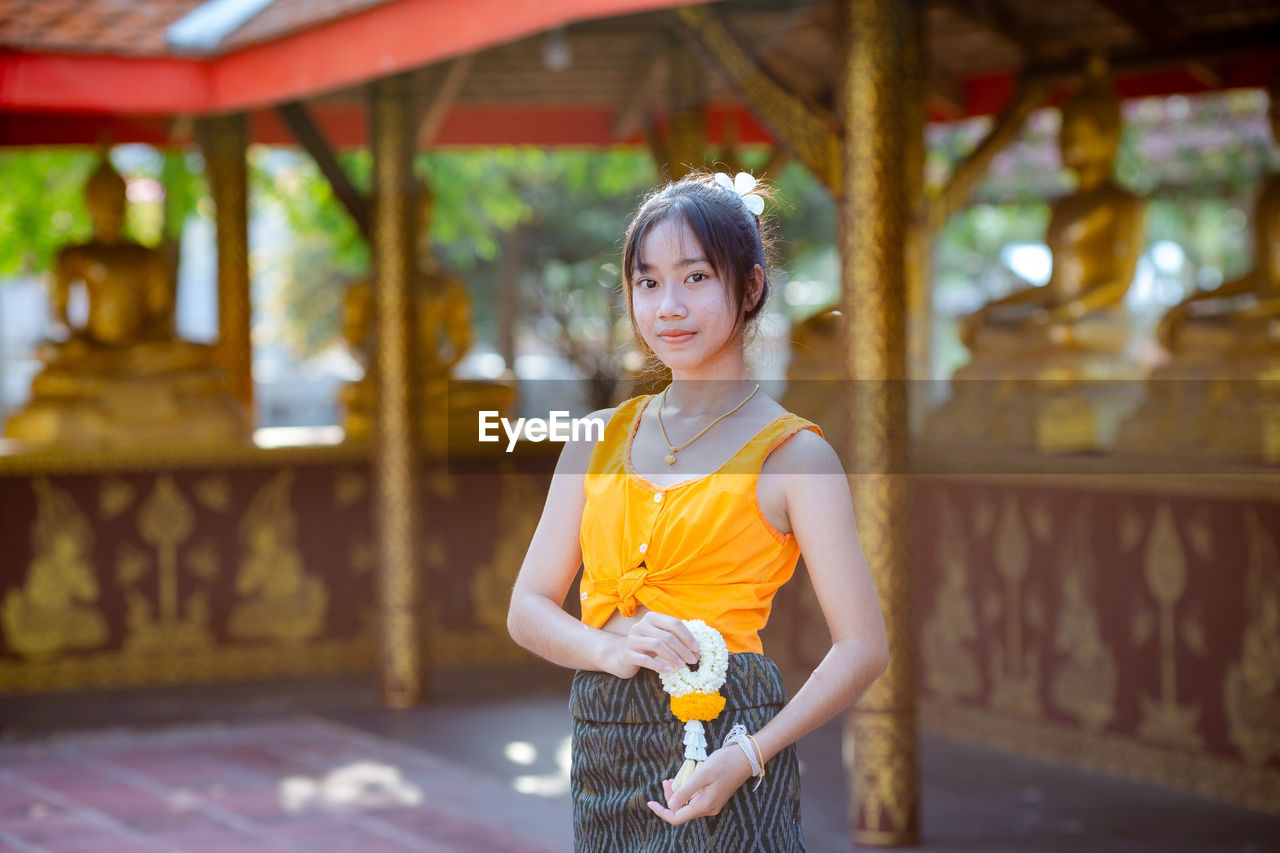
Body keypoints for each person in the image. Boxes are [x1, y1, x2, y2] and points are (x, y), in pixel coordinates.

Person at [506, 170, 889, 851]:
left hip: (727, 740)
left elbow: (863, 645)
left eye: (695, 277)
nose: (668, 306)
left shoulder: (795, 457)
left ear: (750, 287)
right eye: (648, 282)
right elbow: (527, 606)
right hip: (603, 743)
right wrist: (610, 647)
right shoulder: (594, 438)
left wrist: (749, 756)